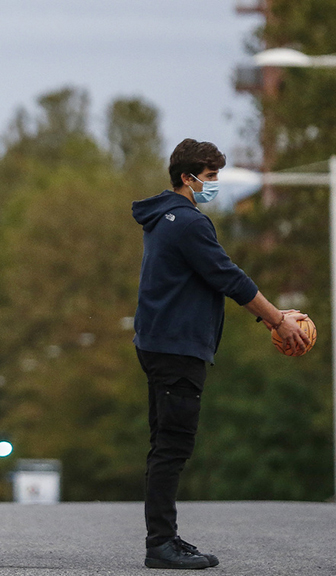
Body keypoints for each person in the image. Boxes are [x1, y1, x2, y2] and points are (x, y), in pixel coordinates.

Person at [131, 139, 310, 570]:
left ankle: (165, 536)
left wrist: (273, 314)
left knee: (165, 444)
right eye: (210, 177)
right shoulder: (189, 222)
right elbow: (230, 278)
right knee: (173, 446)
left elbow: (214, 279)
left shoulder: (162, 218)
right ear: (187, 178)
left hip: (158, 342)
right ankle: (161, 544)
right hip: (176, 347)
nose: (215, 185)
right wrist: (277, 321)